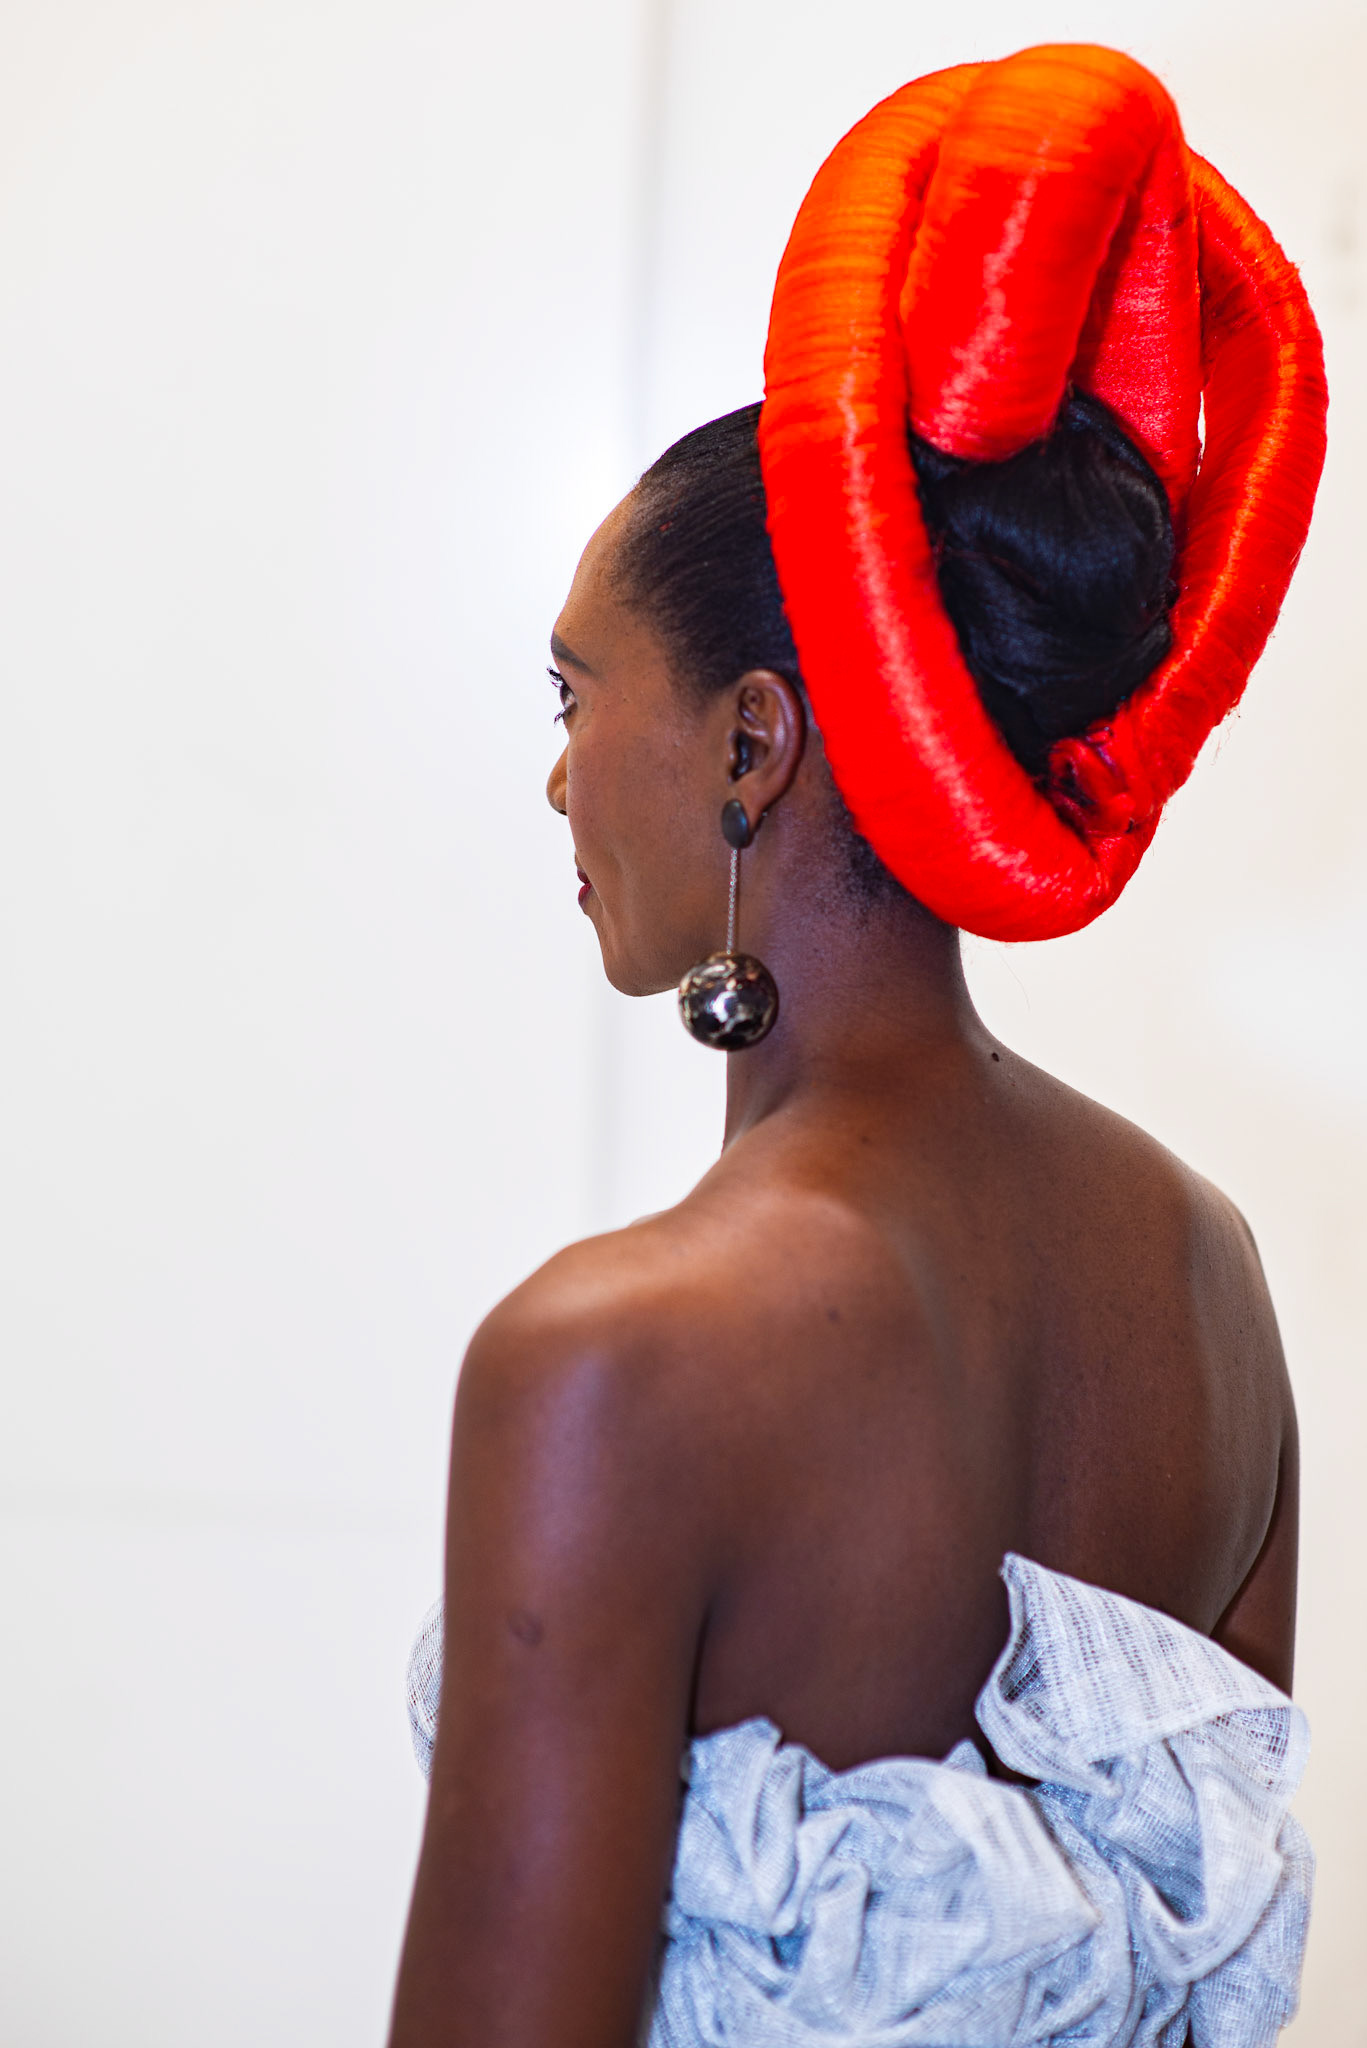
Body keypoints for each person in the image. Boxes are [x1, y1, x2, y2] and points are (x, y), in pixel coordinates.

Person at [388, 44, 1327, 2048]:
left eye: (574, 695)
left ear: (751, 738)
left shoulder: (611, 1361)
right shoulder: (1212, 1284)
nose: (557, 780)